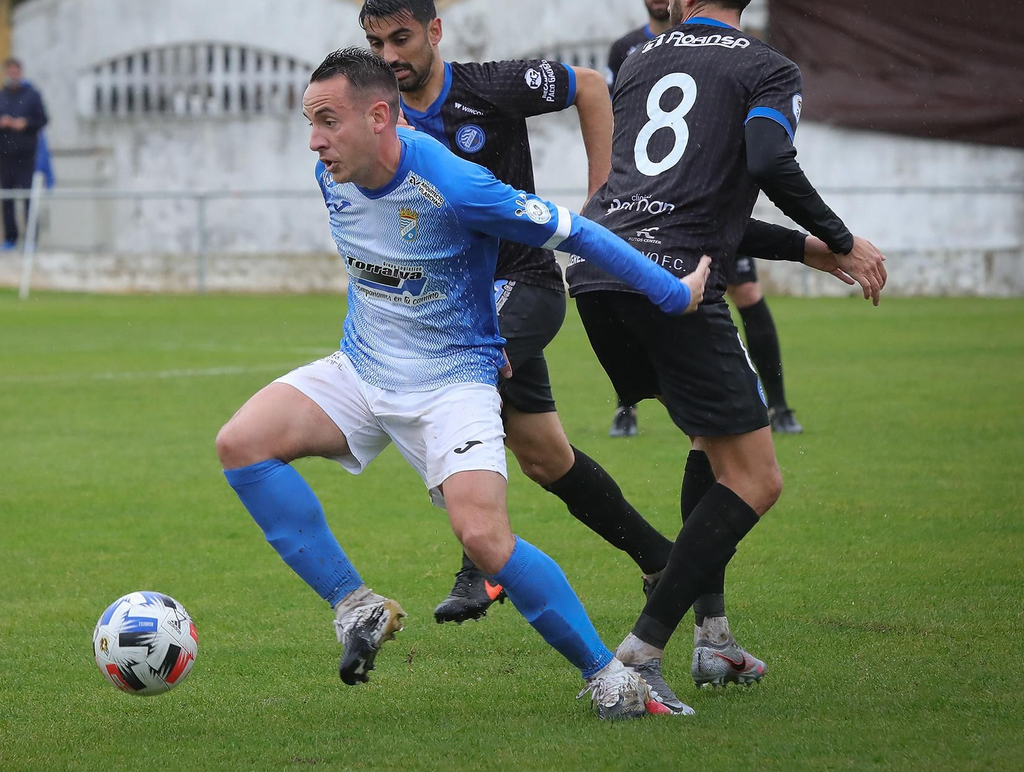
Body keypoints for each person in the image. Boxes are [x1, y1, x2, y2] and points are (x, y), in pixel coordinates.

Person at [215, 47, 715, 720]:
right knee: (241, 443)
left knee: (484, 540)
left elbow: (579, 234)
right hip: (362, 368)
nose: (315, 140)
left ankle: (611, 679)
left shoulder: (458, 184)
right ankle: (357, 607)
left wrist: (672, 294)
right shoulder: (330, 175)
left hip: (451, 384)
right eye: (310, 122)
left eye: (328, 121)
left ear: (381, 116)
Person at [566, 0, 886, 713]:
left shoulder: (638, 61)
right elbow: (769, 164)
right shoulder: (765, 67)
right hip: (673, 280)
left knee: (711, 448)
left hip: (599, 269)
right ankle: (635, 660)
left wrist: (807, 249)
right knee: (758, 477)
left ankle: (714, 642)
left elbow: (682, 197)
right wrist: (843, 239)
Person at [359, 0, 678, 625]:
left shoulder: (489, 87)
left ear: (434, 31)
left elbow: (590, 86)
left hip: (525, 285)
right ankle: (663, 560)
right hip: (454, 303)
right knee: (544, 457)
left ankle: (482, 569)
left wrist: (602, 196)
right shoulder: (379, 121)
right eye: (375, 44)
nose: (390, 56)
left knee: (456, 384)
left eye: (402, 38)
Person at [605, 0, 802, 438]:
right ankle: (631, 404)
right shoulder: (627, 53)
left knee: (746, 293)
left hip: (706, 207)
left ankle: (777, 405)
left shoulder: (737, 54)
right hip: (657, 209)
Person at [0, 58, 49, 251]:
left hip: (26, 156)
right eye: (10, 72)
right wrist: (0, 123)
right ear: (6, 73)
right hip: (5, 156)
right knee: (7, 198)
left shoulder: (32, 96)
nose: (13, 75)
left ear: (21, 72)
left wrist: (26, 123)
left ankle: (31, 240)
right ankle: (9, 240)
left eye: (16, 71)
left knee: (29, 197)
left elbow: (43, 120)